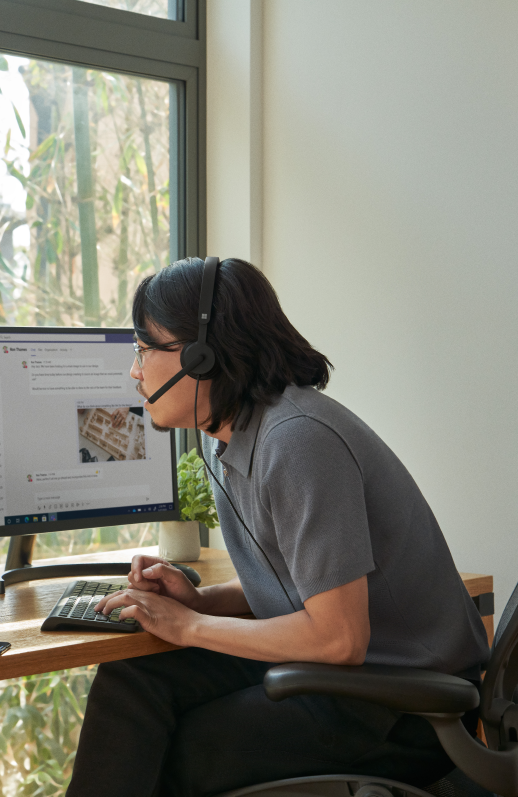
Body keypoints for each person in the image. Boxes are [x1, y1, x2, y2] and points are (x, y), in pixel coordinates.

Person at [67, 258, 489, 797]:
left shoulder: (296, 442)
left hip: (403, 705)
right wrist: (201, 603)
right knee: (134, 682)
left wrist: (188, 628)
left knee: (182, 751)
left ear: (201, 357)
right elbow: (306, 582)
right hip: (349, 676)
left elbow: (339, 636)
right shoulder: (235, 436)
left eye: (144, 349)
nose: (135, 370)